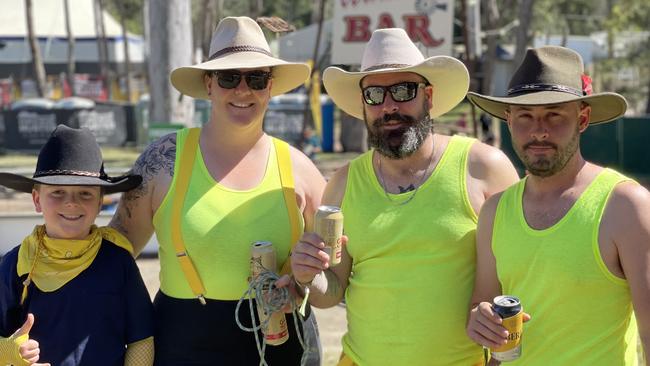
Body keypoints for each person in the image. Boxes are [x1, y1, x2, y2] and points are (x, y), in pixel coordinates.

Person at [290, 28, 519, 365]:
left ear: (428, 96)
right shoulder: (344, 183)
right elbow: (333, 290)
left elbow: (519, 277)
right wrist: (308, 276)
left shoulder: (483, 169)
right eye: (375, 95)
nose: (389, 106)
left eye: (402, 90)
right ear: (363, 105)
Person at [109, 16, 325, 365]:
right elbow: (113, 256)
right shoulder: (163, 162)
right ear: (208, 84)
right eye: (228, 78)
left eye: (256, 79)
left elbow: (333, 274)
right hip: (182, 343)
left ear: (270, 87)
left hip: (283, 343)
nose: (243, 90)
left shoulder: (300, 169)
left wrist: (302, 285)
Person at [465, 45, 650, 365]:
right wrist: (480, 321)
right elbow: (485, 310)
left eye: (554, 114)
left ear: (582, 118)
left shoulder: (625, 206)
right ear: (508, 121)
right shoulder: (495, 212)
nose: (539, 130)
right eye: (525, 116)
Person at [0, 125, 154, 366]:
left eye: (85, 193)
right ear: (37, 200)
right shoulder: (15, 264)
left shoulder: (117, 262)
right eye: (58, 192)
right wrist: (7, 353)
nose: (71, 203)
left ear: (101, 201)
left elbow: (141, 338)